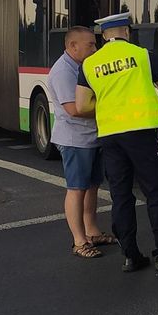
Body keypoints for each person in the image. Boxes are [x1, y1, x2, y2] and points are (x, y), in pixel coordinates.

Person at [75, 11, 158, 273]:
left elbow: (82, 105)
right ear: (127, 32)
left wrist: (109, 103)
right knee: (157, 193)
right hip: (142, 134)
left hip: (110, 137)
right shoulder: (143, 56)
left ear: (104, 36)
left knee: (121, 196)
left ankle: (130, 256)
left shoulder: (89, 64)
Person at [49, 26, 116, 259]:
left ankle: (92, 231)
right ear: (73, 46)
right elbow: (74, 109)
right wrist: (110, 107)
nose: (95, 48)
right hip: (75, 139)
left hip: (91, 137)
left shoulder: (83, 66)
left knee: (92, 186)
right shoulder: (63, 71)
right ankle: (79, 241)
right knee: (77, 189)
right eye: (91, 44)